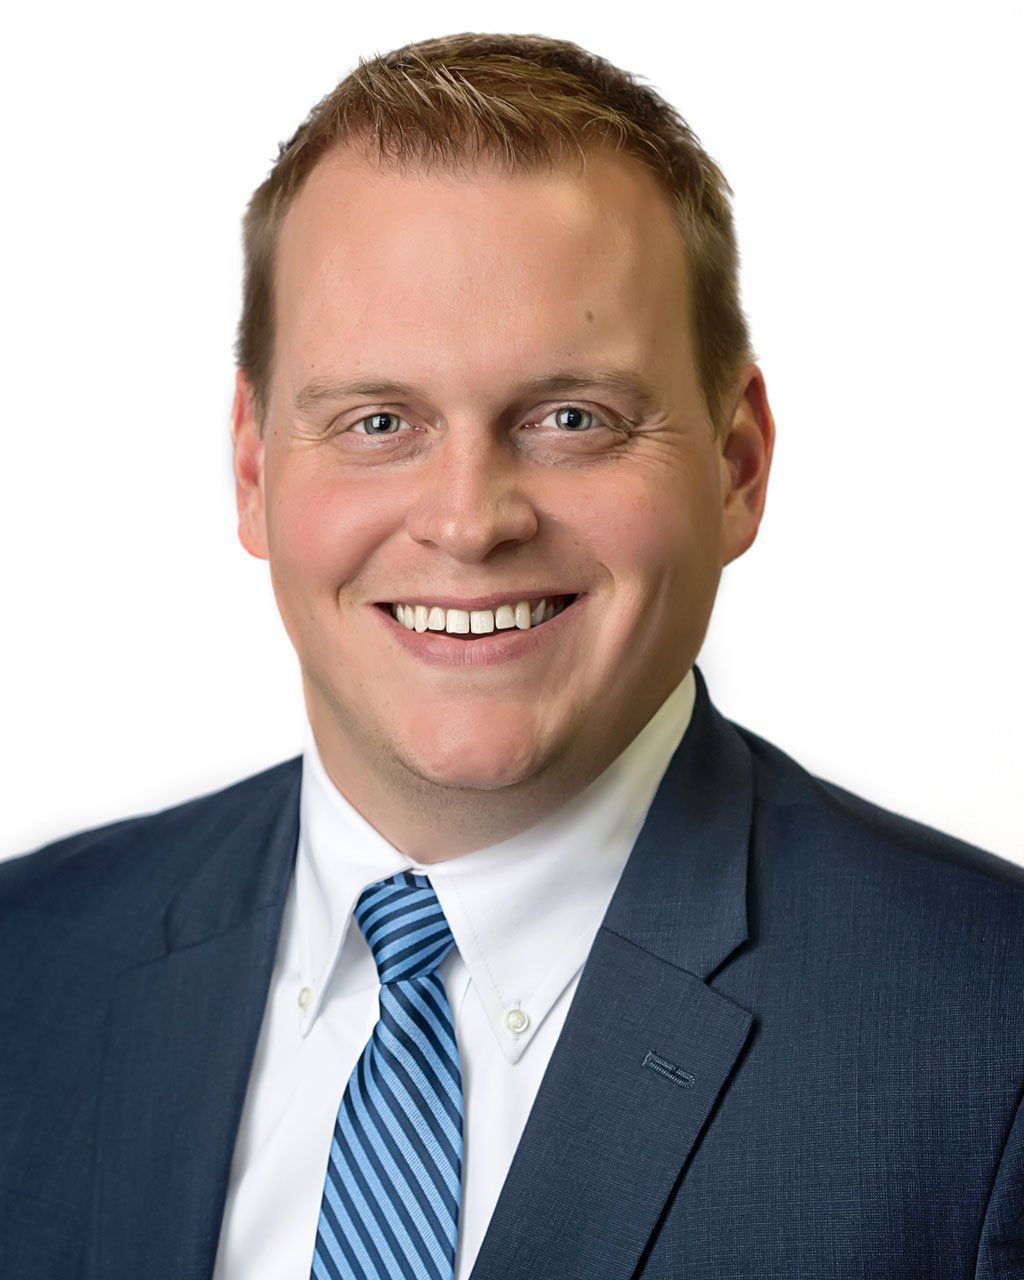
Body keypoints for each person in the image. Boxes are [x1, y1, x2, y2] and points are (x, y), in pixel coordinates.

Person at [1, 29, 1021, 1280]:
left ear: (737, 464)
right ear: (255, 467)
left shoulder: (990, 1043)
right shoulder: (25, 971)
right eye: (379, 420)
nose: (470, 518)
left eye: (571, 419)